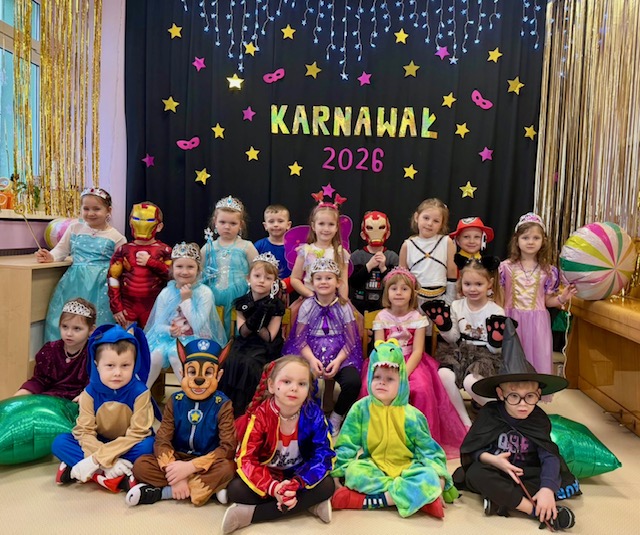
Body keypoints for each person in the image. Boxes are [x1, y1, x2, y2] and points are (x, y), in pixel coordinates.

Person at [455, 318, 579, 531]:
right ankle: (533, 510)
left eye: (530, 396)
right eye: (514, 396)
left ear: (538, 394)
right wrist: (493, 460)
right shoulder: (490, 414)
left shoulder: (538, 418)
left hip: (527, 472)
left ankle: (502, 500)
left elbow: (548, 455)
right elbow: (472, 450)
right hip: (496, 469)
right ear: (500, 394)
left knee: (554, 478)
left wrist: (547, 489)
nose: (523, 404)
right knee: (475, 473)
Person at [332, 339, 458, 518]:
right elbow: (346, 444)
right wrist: (339, 472)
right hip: (374, 466)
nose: (381, 383)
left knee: (430, 478)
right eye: (377, 377)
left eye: (389, 379)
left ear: (402, 382)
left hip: (407, 468)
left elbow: (429, 451)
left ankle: (377, 500)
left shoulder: (413, 415)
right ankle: (415, 498)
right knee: (354, 473)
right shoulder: (360, 409)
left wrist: (440, 478)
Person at [221, 356, 335, 534]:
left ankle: (251, 515)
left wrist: (297, 483)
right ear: (272, 385)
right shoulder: (260, 416)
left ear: (308, 389)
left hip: (298, 474)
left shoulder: (314, 414)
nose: (294, 388)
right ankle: (309, 505)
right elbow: (246, 459)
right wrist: (273, 487)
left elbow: (324, 455)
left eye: (302, 384)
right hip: (269, 475)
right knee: (236, 490)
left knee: (327, 485)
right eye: (287, 381)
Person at [364, 267, 468, 457]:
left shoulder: (417, 318)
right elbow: (379, 347)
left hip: (412, 361)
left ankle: (418, 438)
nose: (399, 293)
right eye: (394, 288)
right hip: (385, 362)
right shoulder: (381, 317)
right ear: (387, 292)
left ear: (412, 294)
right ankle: (381, 436)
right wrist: (390, 371)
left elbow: (418, 350)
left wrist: (403, 372)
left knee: (421, 388)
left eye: (404, 289)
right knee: (373, 386)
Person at [126, 338, 236, 507]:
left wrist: (191, 467)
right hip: (177, 458)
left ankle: (165, 492)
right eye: (192, 372)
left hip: (206, 462)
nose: (199, 380)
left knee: (228, 468)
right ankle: (206, 488)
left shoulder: (223, 404)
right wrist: (175, 472)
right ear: (182, 372)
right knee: (141, 466)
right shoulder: (175, 400)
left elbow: (228, 447)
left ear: (218, 375)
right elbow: (162, 439)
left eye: (208, 373)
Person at [51, 323, 155, 492]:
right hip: (98, 442)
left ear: (134, 364)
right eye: (110, 366)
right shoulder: (89, 393)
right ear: (97, 365)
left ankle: (86, 469)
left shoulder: (140, 392)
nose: (117, 373)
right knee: (60, 443)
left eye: (125, 365)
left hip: (127, 444)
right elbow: (85, 431)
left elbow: (138, 433)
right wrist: (110, 462)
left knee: (148, 447)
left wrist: (96, 460)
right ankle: (113, 473)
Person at [283, 258, 363, 436]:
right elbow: (300, 339)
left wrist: (338, 361)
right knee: (301, 378)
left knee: (352, 382)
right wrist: (312, 360)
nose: (324, 282)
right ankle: (307, 417)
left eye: (329, 278)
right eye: (319, 278)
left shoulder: (343, 306)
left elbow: (351, 340)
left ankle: (336, 416)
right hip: (311, 353)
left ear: (338, 282)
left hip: (340, 354)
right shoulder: (307, 306)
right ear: (312, 283)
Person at [36, 187, 127, 342]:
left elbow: (120, 267)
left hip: (101, 286)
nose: (90, 213)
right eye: (86, 209)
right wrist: (50, 256)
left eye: (96, 209)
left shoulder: (116, 237)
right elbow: (61, 250)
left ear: (108, 210)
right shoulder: (75, 228)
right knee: (69, 318)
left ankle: (95, 352)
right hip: (74, 282)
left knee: (98, 319)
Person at [426, 255, 507, 427]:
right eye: (467, 284)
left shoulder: (496, 310)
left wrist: (495, 341)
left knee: (471, 381)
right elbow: (453, 338)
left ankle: (502, 413)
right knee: (444, 374)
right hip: (460, 351)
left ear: (490, 284)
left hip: (486, 355)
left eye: (478, 284)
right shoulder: (457, 306)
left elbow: (496, 351)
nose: (472, 289)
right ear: (461, 283)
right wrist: (445, 326)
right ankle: (464, 421)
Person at [499, 213, 576, 377]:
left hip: (537, 323)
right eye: (525, 237)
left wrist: (562, 298)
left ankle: (534, 391)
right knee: (511, 358)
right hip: (511, 320)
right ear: (517, 240)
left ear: (543, 241)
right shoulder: (505, 267)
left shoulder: (548, 271)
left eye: (536, 238)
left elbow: (547, 301)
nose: (530, 242)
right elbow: (499, 297)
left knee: (535, 361)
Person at [145, 242, 227, 388]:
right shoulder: (166, 293)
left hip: (196, 338)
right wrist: (169, 330)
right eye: (179, 266)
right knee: (155, 355)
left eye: (190, 267)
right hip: (167, 339)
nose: (184, 271)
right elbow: (158, 325)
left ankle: (189, 392)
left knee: (175, 353)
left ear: (198, 269)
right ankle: (143, 392)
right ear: (172, 269)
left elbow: (197, 325)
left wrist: (186, 300)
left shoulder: (204, 293)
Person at [219, 252, 286, 417]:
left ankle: (247, 410)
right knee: (230, 361)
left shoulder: (276, 305)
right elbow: (243, 332)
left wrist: (262, 315)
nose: (262, 281)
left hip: (264, 346)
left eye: (268, 278)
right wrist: (255, 316)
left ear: (274, 282)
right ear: (248, 278)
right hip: (244, 342)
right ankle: (227, 410)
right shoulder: (242, 302)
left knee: (250, 364)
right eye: (257, 276)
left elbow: (269, 336)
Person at [14, 298, 97, 401]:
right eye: (65, 327)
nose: (69, 333)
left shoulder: (94, 354)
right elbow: (40, 380)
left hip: (79, 402)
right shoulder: (50, 350)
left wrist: (87, 395)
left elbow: (95, 384)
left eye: (77, 328)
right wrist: (22, 393)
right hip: (50, 400)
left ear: (91, 330)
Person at [108, 202, 172, 329]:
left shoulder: (165, 250)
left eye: (149, 220)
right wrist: (116, 307)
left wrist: (152, 262)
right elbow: (113, 278)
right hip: (127, 307)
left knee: (151, 339)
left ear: (159, 226)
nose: (142, 224)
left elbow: (173, 276)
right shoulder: (123, 250)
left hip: (154, 307)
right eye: (137, 219)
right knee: (126, 339)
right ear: (131, 222)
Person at [202, 195, 259, 335]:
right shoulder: (209, 247)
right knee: (214, 324)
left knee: (235, 325)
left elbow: (257, 270)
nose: (227, 227)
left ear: (241, 225)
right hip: (212, 294)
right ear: (215, 222)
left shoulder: (247, 246)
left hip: (239, 294)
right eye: (222, 222)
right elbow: (199, 271)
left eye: (233, 223)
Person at [288, 186, 351, 303]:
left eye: (331, 224)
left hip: (333, 302)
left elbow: (343, 282)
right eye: (321, 224)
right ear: (313, 226)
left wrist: (343, 302)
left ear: (337, 227)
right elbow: (295, 278)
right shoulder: (305, 251)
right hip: (310, 301)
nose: (326, 229)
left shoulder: (340, 253)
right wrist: (310, 295)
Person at [399, 198, 457, 309]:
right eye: (426, 218)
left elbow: (452, 271)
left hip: (441, 298)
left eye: (436, 221)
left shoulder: (446, 242)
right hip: (415, 300)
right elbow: (402, 276)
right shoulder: (408, 245)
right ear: (417, 217)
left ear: (442, 224)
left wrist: (450, 299)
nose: (430, 223)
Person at [349, 211, 399, 314]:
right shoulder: (357, 256)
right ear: (363, 235)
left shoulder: (392, 257)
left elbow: (395, 285)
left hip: (384, 308)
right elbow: (353, 283)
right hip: (359, 306)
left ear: (387, 234)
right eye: (370, 228)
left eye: (381, 228)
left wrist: (383, 269)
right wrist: (368, 266)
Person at [254, 204, 293, 280]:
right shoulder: (259, 246)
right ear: (265, 226)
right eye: (271, 221)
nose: (276, 224)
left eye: (280, 221)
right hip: (265, 284)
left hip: (289, 285)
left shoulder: (293, 247)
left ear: (288, 225)